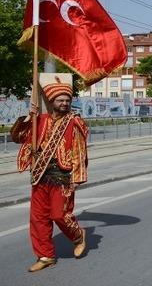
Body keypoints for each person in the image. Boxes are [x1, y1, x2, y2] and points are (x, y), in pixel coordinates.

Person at [11, 76, 88, 272]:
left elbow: (80, 150)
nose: (64, 103)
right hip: (39, 175)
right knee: (38, 218)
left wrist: (77, 177)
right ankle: (45, 256)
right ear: (52, 101)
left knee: (60, 215)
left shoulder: (74, 121)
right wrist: (29, 119)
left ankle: (78, 236)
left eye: (67, 100)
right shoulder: (40, 120)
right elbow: (18, 138)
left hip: (62, 176)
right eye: (60, 100)